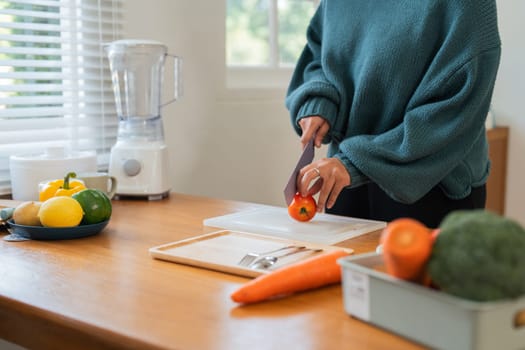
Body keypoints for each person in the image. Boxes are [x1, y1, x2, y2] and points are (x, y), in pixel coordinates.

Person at [285, 0, 501, 228]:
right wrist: (320, 99)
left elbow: (456, 103)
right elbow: (318, 52)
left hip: (432, 182)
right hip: (343, 177)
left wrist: (356, 163)